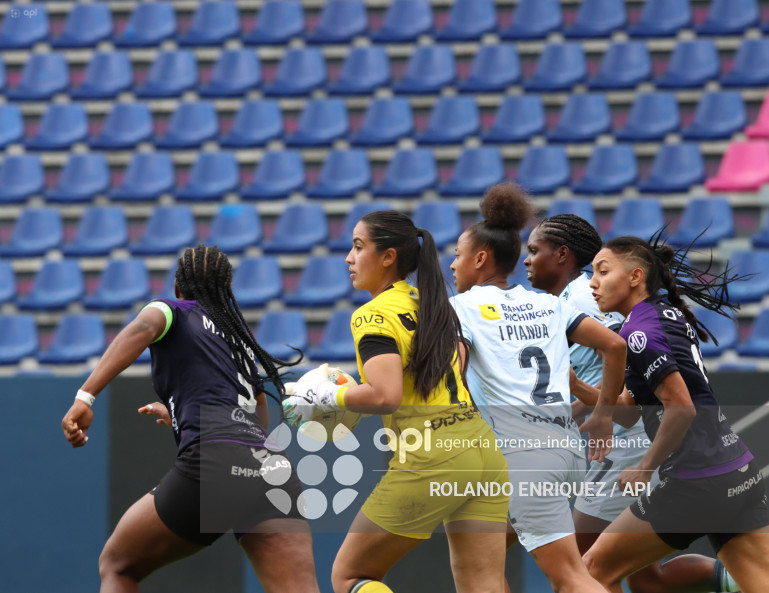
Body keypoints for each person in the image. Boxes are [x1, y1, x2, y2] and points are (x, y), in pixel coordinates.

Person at [61, 244, 320, 593]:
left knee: (117, 565)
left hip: (216, 460)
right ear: (228, 289)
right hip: (272, 467)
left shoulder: (171, 310)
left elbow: (143, 327)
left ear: (176, 286)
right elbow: (258, 414)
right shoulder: (240, 339)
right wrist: (182, 415)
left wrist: (85, 396)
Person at [527, 213, 760, 593]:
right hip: (727, 466)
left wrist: (639, 461)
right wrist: (580, 393)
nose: (593, 281)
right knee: (646, 578)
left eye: (535, 250)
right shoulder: (648, 314)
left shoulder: (612, 315)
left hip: (665, 461)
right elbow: (629, 400)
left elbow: (661, 391)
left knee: (585, 570)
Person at [283, 210, 510, 593]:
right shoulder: (434, 303)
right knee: (484, 586)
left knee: (350, 576)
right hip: (483, 451)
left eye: (358, 247)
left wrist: (329, 395)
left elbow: (384, 396)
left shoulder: (372, 316)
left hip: (431, 457)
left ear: (388, 256)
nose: (349, 258)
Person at [582, 234, 769, 593]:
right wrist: (574, 385)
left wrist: (644, 468)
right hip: (737, 473)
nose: (593, 282)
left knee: (590, 572)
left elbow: (681, 407)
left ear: (635, 276)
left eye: (602, 272)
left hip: (696, 482)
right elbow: (628, 412)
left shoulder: (639, 332)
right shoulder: (665, 315)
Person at [447, 184, 627, 593]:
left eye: (457, 255)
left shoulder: (461, 308)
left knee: (570, 577)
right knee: (478, 560)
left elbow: (453, 376)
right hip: (565, 452)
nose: (453, 265)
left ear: (480, 258)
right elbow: (614, 347)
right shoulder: (549, 304)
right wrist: (602, 417)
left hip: (522, 457)